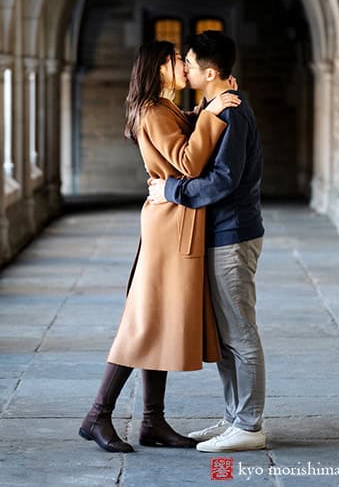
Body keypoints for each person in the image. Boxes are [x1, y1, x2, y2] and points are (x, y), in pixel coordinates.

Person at [79, 40, 241, 453]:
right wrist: (213, 113)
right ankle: (98, 414)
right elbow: (187, 161)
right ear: (157, 68)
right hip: (169, 226)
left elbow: (181, 129)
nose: (182, 66)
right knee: (145, 320)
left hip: (174, 220)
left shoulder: (163, 108)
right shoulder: (152, 111)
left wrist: (207, 108)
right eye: (175, 61)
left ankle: (152, 421)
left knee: (159, 322)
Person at [148, 31, 266, 452]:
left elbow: (222, 181)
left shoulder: (233, 114)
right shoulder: (218, 108)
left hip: (233, 235)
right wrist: (205, 107)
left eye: (192, 65)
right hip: (220, 234)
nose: (186, 69)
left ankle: (250, 426)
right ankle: (233, 418)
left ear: (211, 72)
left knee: (240, 333)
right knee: (227, 336)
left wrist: (170, 192)